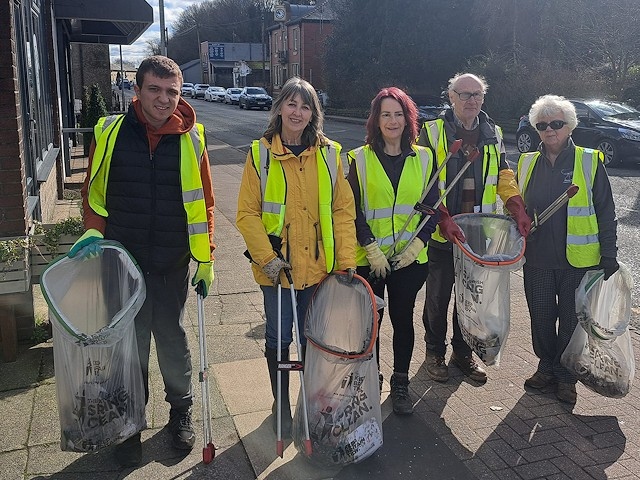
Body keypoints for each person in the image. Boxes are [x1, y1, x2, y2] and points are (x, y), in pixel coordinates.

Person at [69, 55, 216, 467]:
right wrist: (93, 229)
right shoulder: (110, 132)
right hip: (123, 263)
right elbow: (93, 193)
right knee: (129, 349)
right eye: (154, 89)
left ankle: (180, 412)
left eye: (172, 91)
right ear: (137, 91)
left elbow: (204, 205)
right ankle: (130, 423)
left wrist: (206, 260)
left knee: (172, 341)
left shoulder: (193, 139)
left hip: (171, 263)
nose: (164, 99)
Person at [236, 77, 357, 435]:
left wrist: (347, 260)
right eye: (291, 103)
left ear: (313, 114)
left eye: (305, 106)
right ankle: (280, 402)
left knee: (312, 340)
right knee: (278, 338)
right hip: (278, 271)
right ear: (279, 109)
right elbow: (247, 214)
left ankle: (309, 401)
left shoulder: (329, 153)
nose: (297, 112)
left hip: (319, 270)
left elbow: (342, 211)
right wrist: (266, 259)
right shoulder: (260, 154)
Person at [416, 73, 531, 384]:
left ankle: (462, 352)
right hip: (443, 233)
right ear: (451, 96)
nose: (472, 100)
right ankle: (434, 352)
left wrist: (516, 205)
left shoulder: (492, 131)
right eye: (465, 94)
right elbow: (421, 180)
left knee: (469, 298)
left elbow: (504, 172)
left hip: (477, 236)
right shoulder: (432, 132)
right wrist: (442, 217)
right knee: (438, 299)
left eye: (477, 95)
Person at [517, 94, 618, 404]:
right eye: (543, 125)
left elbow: (605, 210)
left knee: (572, 322)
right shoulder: (527, 162)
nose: (550, 130)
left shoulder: (588, 160)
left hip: (578, 262)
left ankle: (565, 377)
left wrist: (609, 253)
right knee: (542, 319)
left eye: (557, 124)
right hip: (538, 260)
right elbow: (518, 209)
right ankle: (546, 367)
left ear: (570, 126)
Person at [346, 87, 439, 415]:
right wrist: (369, 247)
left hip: (407, 262)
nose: (392, 120)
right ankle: (371, 377)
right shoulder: (358, 158)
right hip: (369, 260)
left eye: (398, 114)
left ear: (408, 118)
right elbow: (352, 208)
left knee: (402, 319)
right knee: (369, 324)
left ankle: (401, 382)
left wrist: (417, 245)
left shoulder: (425, 157)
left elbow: (433, 206)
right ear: (376, 119)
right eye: (386, 114)